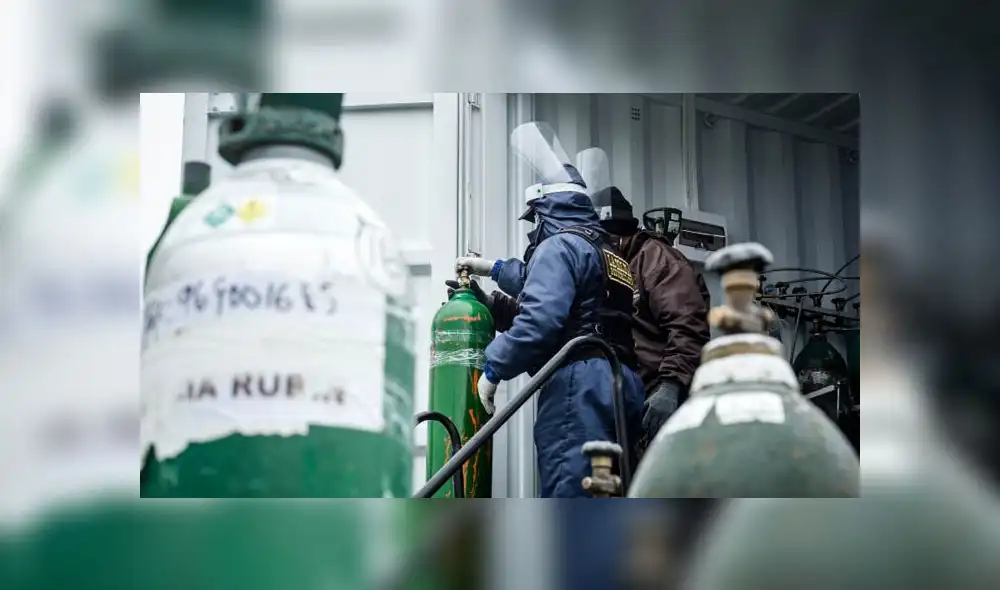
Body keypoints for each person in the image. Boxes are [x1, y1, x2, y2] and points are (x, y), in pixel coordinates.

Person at [444, 122, 645, 498]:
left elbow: (541, 321)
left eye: (533, 222)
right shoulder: (605, 251)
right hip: (623, 382)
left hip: (579, 384)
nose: (532, 232)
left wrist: (493, 370)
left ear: (543, 212)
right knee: (612, 488)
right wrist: (494, 281)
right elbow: (566, 297)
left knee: (574, 488)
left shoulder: (558, 247)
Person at [576, 147, 711, 452]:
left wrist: (671, 387)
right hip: (621, 407)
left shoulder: (655, 259)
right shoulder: (600, 270)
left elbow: (688, 322)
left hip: (660, 404)